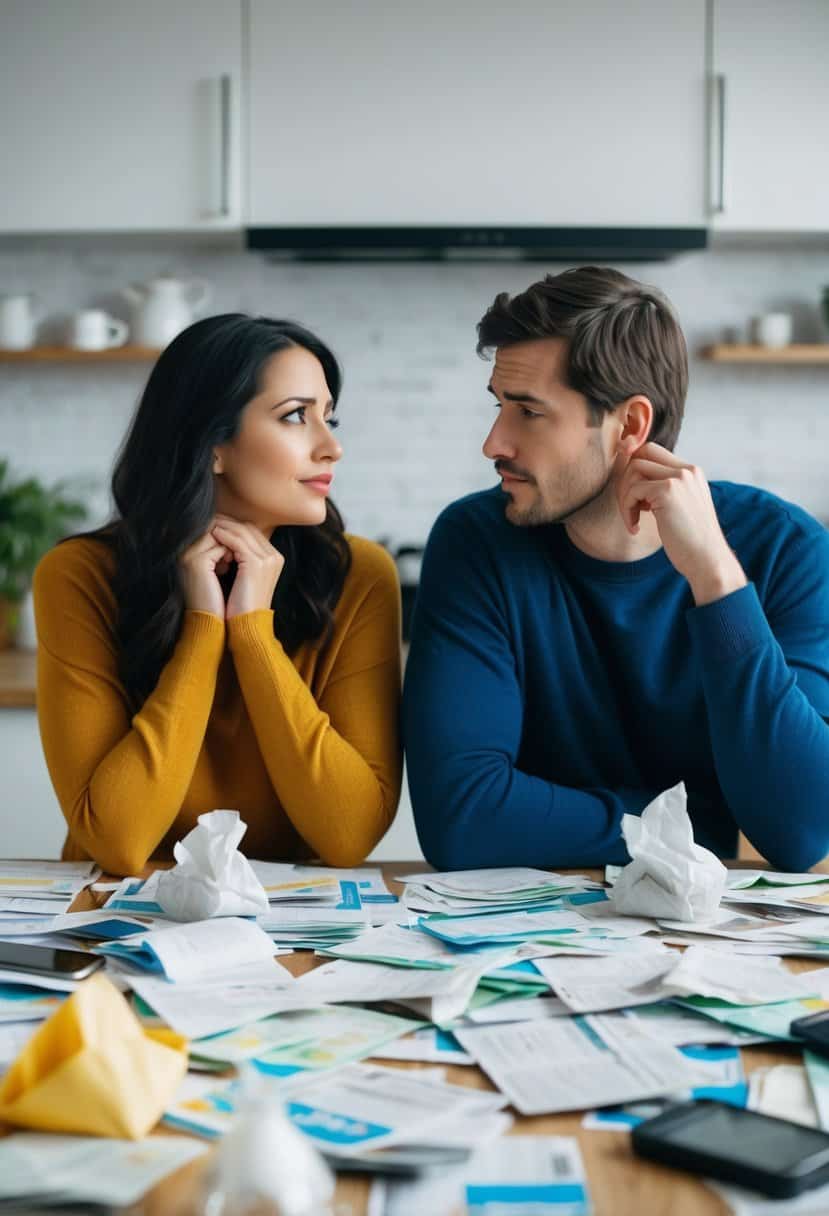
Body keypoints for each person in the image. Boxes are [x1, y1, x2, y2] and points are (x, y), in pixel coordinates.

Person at [403, 267, 829, 872]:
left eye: (528, 412)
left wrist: (716, 580)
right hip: (530, 937)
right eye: (500, 406)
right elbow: (461, 820)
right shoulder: (475, 543)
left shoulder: (785, 549)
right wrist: (687, 828)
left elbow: (803, 830)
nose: (494, 443)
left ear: (629, 425)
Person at [34, 315, 401, 876]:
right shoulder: (80, 576)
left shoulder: (360, 576)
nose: (332, 447)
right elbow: (119, 841)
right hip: (116, 926)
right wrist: (205, 628)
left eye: (329, 417)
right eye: (296, 416)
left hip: (290, 930)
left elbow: (349, 836)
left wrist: (252, 631)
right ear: (212, 444)